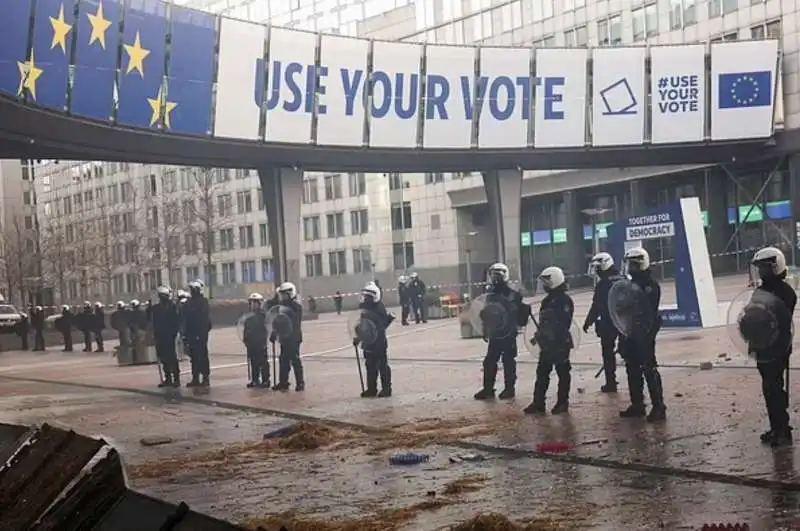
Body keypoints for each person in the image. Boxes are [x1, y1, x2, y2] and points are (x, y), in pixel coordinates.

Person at [749, 246, 797, 446]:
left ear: (775, 267)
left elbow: (779, 320)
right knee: (769, 389)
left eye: (764, 268)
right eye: (759, 268)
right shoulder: (762, 290)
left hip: (777, 347)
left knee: (775, 388)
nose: (761, 272)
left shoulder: (785, 292)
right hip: (762, 347)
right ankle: (775, 427)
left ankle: (783, 431)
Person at [618, 247, 667, 422]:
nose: (631, 268)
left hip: (644, 333)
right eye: (629, 265)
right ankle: (637, 404)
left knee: (649, 368)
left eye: (633, 265)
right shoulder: (629, 285)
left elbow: (646, 310)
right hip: (630, 331)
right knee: (632, 368)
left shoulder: (650, 286)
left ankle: (658, 406)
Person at [525, 266, 575, 415]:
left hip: (560, 343)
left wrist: (551, 334)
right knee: (542, 373)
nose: (545, 285)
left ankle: (562, 402)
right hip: (547, 343)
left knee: (563, 373)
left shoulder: (564, 301)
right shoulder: (547, 300)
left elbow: (564, 323)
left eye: (547, 281)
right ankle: (538, 402)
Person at [474, 262, 527, 401]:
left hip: (508, 333)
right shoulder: (491, 294)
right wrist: (485, 327)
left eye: (497, 276)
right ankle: (488, 389)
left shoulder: (513, 294)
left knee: (508, 360)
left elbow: (516, 314)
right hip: (496, 333)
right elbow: (489, 312)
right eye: (493, 276)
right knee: (489, 361)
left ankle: (510, 389)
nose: (494, 279)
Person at [583, 252, 623, 393]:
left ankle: (610, 382)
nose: (597, 271)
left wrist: (588, 321)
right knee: (629, 353)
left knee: (608, 353)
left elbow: (597, 305)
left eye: (598, 268)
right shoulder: (623, 278)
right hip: (625, 322)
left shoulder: (603, 284)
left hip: (608, 322)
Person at [353, 281, 395, 397]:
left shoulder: (378, 309)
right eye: (365, 296)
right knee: (370, 365)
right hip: (368, 342)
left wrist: (360, 334)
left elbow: (375, 326)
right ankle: (372, 388)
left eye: (368, 296)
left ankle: (387, 388)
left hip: (379, 341)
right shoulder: (365, 308)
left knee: (382, 365)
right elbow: (363, 324)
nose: (366, 299)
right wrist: (358, 336)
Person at [270, 282, 305, 392]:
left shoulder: (296, 307)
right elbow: (277, 321)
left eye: (284, 294)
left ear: (290, 293)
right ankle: (283, 382)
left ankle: (300, 383)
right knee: (283, 360)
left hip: (293, 337)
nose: (283, 297)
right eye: (282, 294)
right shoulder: (281, 307)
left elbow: (293, 322)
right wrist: (274, 332)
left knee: (295, 359)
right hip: (284, 337)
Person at [183, 280, 212, 387]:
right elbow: (185, 317)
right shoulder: (189, 302)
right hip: (191, 332)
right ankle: (195, 378)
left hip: (200, 333)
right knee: (194, 357)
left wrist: (201, 333)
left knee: (202, 356)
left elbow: (204, 319)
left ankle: (205, 378)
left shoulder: (203, 302)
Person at [151, 286, 181, 388]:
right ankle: (168, 378)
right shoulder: (156, 308)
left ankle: (176, 378)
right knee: (163, 358)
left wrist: (174, 333)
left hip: (169, 335)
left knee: (171, 357)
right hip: (160, 335)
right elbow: (152, 319)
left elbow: (175, 321)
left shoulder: (172, 306)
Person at [243, 292, 270, 389]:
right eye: (251, 303)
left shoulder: (263, 316)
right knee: (253, 362)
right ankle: (255, 379)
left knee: (262, 362)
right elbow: (246, 329)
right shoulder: (248, 317)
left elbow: (266, 329)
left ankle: (266, 380)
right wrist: (245, 339)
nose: (253, 305)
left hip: (260, 342)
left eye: (255, 303)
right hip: (251, 342)